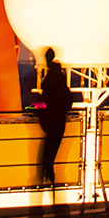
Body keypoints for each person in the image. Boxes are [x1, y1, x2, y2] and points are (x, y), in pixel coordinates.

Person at [32, 47, 72, 188]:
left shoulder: (49, 81)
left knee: (47, 157)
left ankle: (45, 183)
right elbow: (67, 102)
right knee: (50, 157)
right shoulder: (60, 81)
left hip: (51, 124)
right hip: (59, 123)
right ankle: (51, 185)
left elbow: (45, 101)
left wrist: (31, 107)